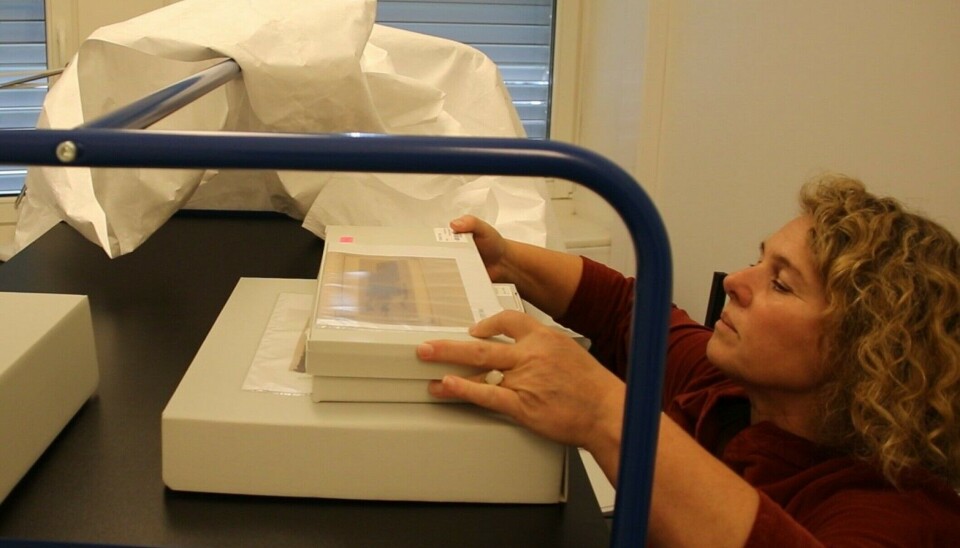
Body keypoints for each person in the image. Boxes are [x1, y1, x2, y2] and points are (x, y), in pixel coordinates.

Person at [415, 174, 960, 546]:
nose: (737, 284)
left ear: (869, 348)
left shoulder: (899, 512)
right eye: (757, 260)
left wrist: (605, 412)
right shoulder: (726, 393)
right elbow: (624, 308)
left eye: (782, 284)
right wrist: (506, 257)